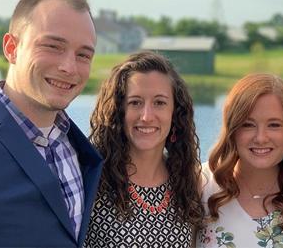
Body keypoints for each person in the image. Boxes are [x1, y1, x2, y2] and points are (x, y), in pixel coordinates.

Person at [0, 0, 103, 247]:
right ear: (11, 48)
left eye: (83, 54)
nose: (69, 67)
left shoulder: (76, 146)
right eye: (53, 46)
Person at [84, 51, 204, 247]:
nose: (147, 116)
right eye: (135, 102)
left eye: (159, 103)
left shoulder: (188, 181)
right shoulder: (92, 178)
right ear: (118, 110)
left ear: (175, 113)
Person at [198, 73, 283, 248]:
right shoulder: (200, 184)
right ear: (232, 129)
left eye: (274, 125)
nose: (261, 138)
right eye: (248, 124)